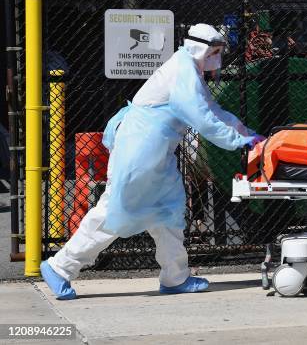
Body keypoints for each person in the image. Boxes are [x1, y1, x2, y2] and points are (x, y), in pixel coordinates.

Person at [41, 24, 265, 300]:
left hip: (155, 153)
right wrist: (239, 140)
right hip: (141, 150)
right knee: (113, 211)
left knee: (168, 212)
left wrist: (246, 134)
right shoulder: (183, 71)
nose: (217, 58)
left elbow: (212, 110)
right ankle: (60, 266)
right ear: (199, 48)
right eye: (214, 52)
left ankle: (175, 276)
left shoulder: (188, 69)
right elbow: (202, 117)